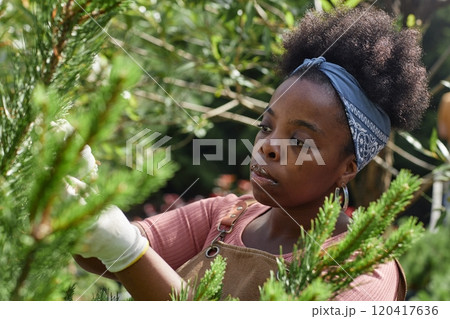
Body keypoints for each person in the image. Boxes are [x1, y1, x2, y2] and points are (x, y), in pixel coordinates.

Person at [73, 7, 430, 301]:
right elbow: (96, 256)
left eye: (300, 141)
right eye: (266, 127)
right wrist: (79, 201)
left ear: (347, 169)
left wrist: (129, 252)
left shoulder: (364, 272)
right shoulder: (224, 217)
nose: (268, 148)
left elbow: (127, 253)